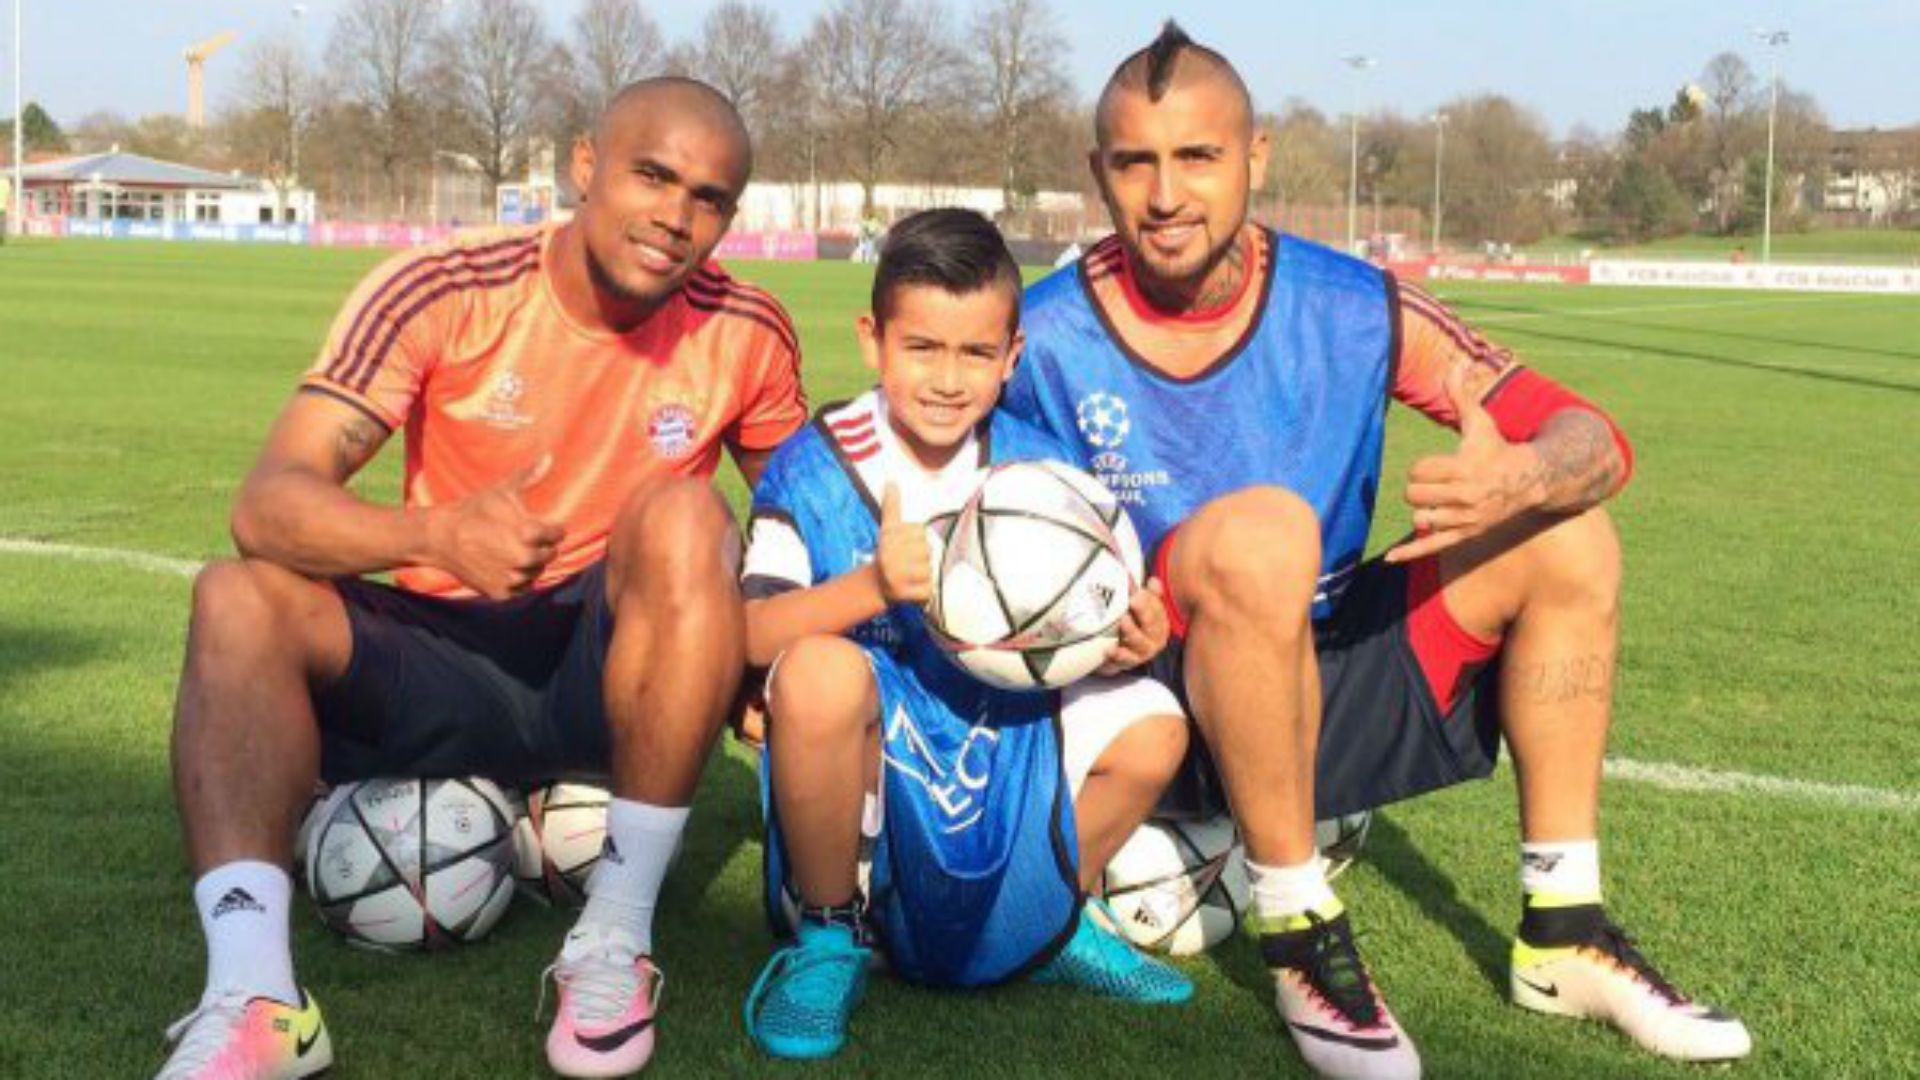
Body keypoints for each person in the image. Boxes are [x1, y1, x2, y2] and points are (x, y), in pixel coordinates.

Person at [1004, 23, 1751, 1080]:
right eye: (1136, 162)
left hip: (1318, 677)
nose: (1165, 194)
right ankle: (1301, 929)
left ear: (1256, 158)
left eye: (1198, 157)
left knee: (1570, 533)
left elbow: (1593, 438)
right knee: (1263, 533)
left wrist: (1525, 477)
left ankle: (1564, 930)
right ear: (1100, 174)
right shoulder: (1044, 335)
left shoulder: (1357, 307)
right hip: (1143, 711)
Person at [156, 78, 806, 1080]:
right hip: (440, 646)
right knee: (233, 597)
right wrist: (438, 533)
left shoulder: (747, 329)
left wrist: (766, 653)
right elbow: (267, 505)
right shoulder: (446, 289)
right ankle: (256, 998)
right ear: (584, 166)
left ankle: (613, 941)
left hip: (605, 670)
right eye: (653, 176)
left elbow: (806, 524)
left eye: (710, 199)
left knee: (685, 512)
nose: (677, 218)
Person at [736, 208, 1192, 1060]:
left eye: (977, 354)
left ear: (1012, 356)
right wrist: (869, 586)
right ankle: (830, 936)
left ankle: (1052, 920)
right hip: (868, 755)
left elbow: (1093, 619)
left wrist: (1131, 636)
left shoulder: (1043, 468)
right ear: (874, 340)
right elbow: (754, 634)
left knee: (1155, 723)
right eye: (923, 348)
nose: (949, 380)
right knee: (818, 675)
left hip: (999, 728)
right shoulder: (817, 461)